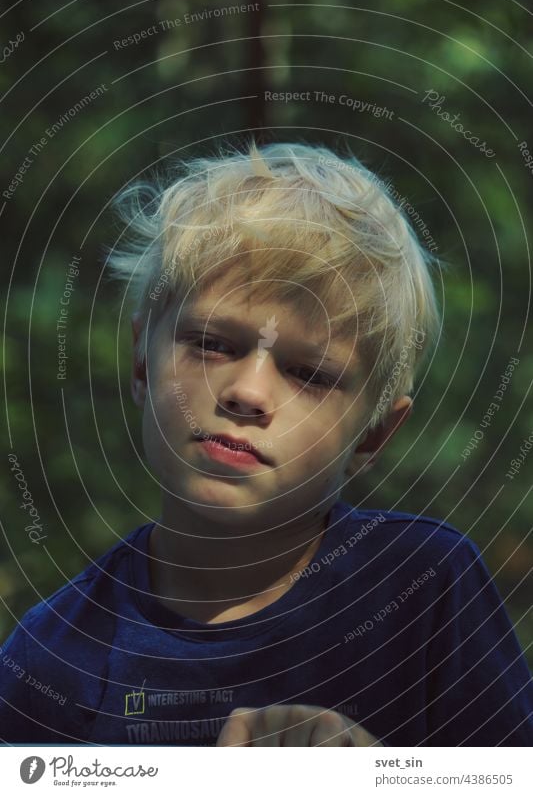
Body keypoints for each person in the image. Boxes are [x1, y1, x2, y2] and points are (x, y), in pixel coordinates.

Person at [1, 142, 531, 747]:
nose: (248, 392)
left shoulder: (424, 588)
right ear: (142, 362)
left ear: (376, 433)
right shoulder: (51, 658)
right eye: (212, 344)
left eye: (310, 374)